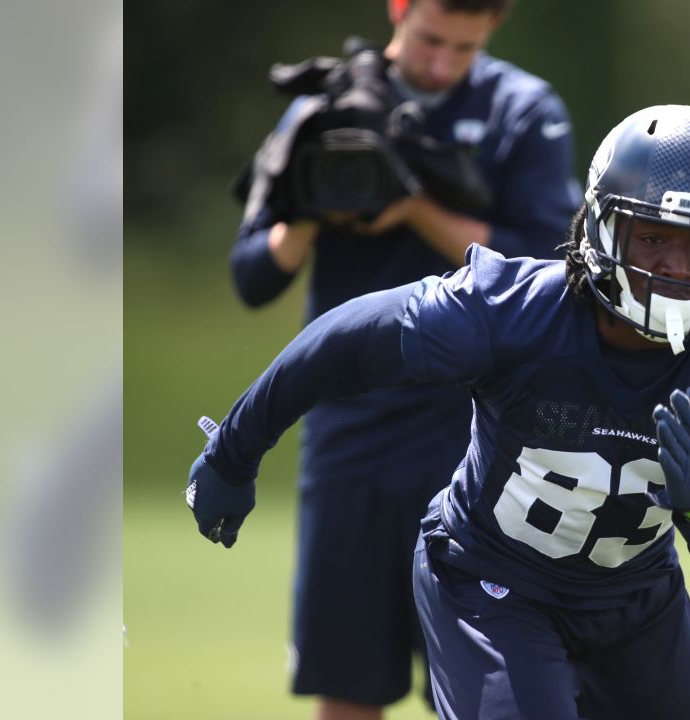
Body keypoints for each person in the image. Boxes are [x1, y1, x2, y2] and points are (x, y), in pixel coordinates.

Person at [192, 104, 690, 719]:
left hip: (637, 606)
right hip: (494, 583)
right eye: (653, 239)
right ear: (600, 228)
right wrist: (234, 451)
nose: (677, 269)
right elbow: (344, 342)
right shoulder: (513, 312)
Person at [226, 0, 579, 717]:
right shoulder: (324, 110)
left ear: (492, 31)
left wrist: (414, 204)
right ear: (399, 9)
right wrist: (312, 203)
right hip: (350, 438)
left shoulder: (523, 110)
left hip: (482, 440)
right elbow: (253, 277)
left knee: (491, 690)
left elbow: (550, 270)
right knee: (349, 686)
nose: (443, 63)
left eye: (464, 48)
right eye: (430, 40)